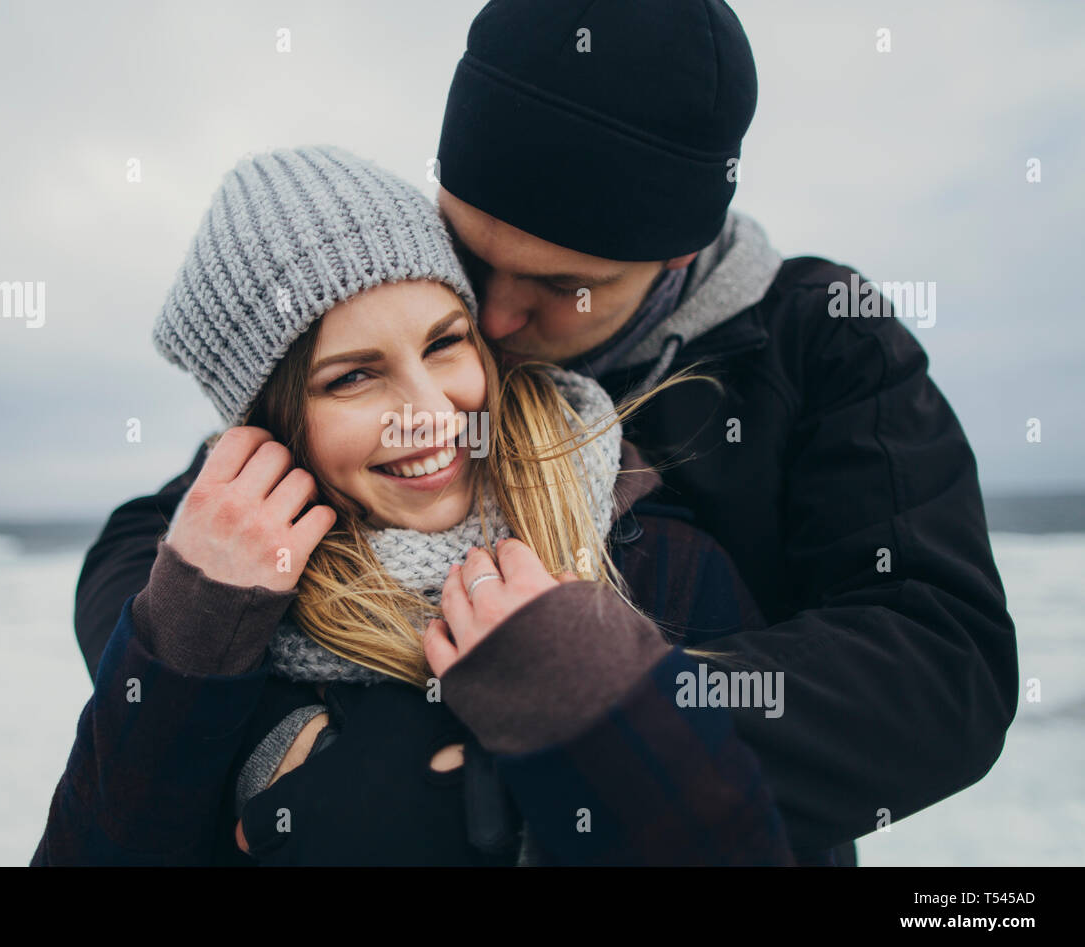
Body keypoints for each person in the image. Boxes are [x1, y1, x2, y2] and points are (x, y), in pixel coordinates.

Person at [73, 0, 1019, 865]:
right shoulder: (422, 318)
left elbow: (943, 670)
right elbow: (162, 548)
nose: (492, 320)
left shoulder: (823, 340)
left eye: (564, 287)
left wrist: (583, 731)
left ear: (675, 254)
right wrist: (285, 733)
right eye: (472, 256)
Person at [32, 144, 796, 866]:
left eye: (444, 344)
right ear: (272, 425)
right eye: (353, 378)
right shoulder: (240, 623)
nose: (431, 411)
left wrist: (597, 715)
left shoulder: (656, 559)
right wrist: (187, 640)